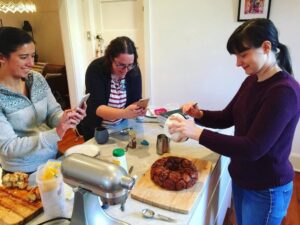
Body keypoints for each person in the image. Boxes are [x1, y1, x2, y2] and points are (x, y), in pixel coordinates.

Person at [168, 19, 300, 225]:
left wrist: (197, 133)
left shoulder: (284, 92)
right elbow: (227, 116)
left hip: (266, 189)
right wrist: (199, 114)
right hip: (243, 179)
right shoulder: (252, 80)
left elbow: (253, 148)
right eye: (236, 56)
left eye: (243, 54)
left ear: (266, 47)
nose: (238, 63)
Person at [0, 27, 86, 174]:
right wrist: (56, 133)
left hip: (52, 158)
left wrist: (66, 119)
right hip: (23, 171)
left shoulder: (37, 79)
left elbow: (53, 113)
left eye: (33, 56)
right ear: (2, 57)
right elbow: (8, 147)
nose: (31, 63)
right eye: (23, 57)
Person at [79, 36, 146, 140]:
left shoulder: (133, 70)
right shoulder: (96, 68)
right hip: (97, 130)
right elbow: (96, 107)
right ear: (110, 58)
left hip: (122, 127)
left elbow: (135, 100)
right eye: (121, 65)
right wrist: (124, 113)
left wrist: (138, 109)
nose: (125, 70)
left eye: (130, 65)